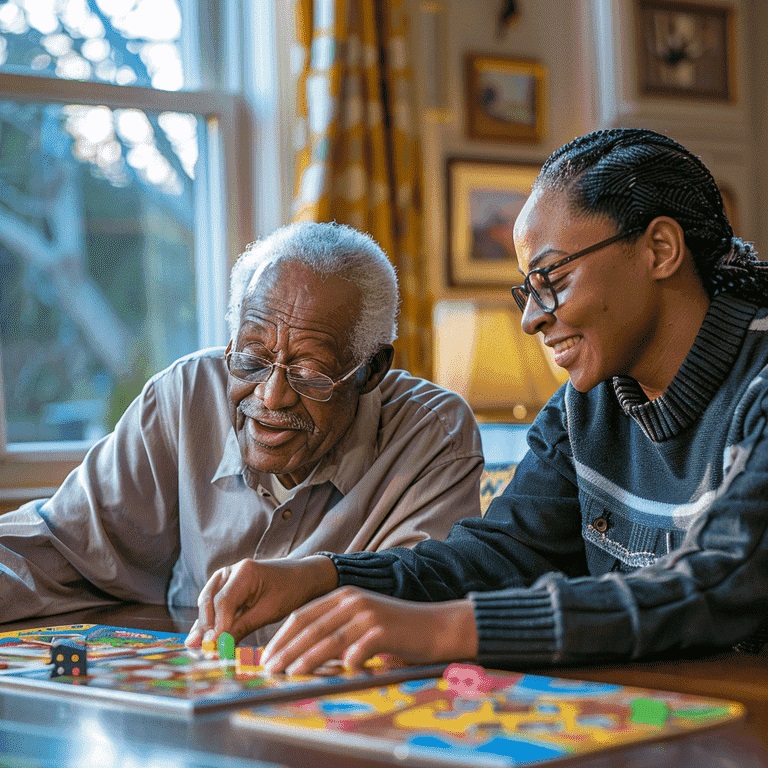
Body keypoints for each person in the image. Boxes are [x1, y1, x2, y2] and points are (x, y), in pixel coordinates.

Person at [188, 128, 768, 676]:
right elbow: (496, 558)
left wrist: (442, 631)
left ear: (660, 249)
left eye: (552, 278)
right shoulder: (583, 408)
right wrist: (325, 575)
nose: (531, 318)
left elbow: (723, 579)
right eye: (527, 290)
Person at [0, 222, 483, 622]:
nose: (271, 396)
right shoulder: (186, 397)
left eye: (310, 372)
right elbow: (57, 544)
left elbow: (422, 598)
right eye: (252, 360)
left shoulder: (430, 433)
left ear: (371, 371)